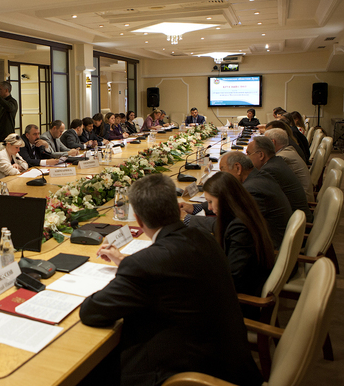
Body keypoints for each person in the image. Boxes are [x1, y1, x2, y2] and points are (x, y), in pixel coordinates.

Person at [79, 174, 262, 386]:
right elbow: (169, 270)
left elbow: (91, 311)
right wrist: (125, 262)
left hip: (191, 377)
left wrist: (130, 268)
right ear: (176, 209)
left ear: (138, 219)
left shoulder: (146, 265)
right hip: (229, 363)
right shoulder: (204, 238)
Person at [181, 152, 292, 249]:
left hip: (266, 250)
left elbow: (228, 224)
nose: (221, 175)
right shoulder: (257, 178)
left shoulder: (252, 190)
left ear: (238, 168)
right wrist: (195, 208)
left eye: (223, 170)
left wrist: (187, 219)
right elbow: (228, 202)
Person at [202, 172, 275, 302]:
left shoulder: (240, 229)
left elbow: (232, 279)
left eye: (210, 202)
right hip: (245, 287)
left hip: (239, 301)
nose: (210, 208)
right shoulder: (245, 214)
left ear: (224, 199)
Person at [247, 136, 313, 223]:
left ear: (261, 155)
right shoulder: (276, 162)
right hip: (296, 216)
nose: (246, 157)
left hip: (297, 223)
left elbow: (256, 199)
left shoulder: (270, 171)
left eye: (248, 153)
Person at [265, 128, 314, 202]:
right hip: (299, 196)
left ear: (273, 142)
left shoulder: (282, 157)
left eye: (264, 142)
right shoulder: (289, 150)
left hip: (301, 201)